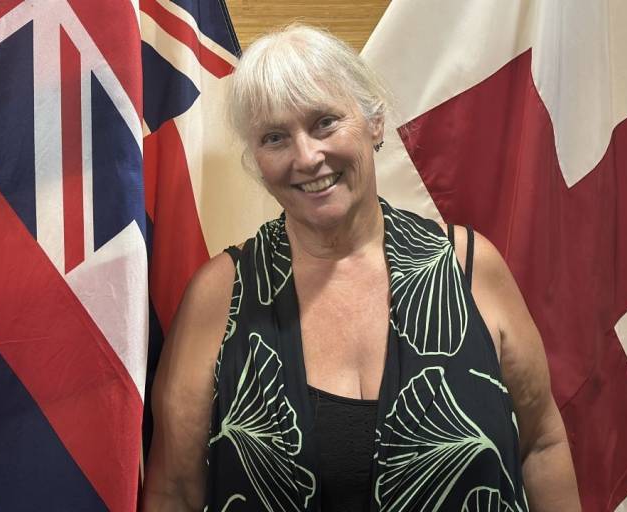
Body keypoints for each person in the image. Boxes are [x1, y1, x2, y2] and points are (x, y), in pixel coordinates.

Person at [143, 24, 581, 512]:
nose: (307, 157)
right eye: (275, 137)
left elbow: (542, 445)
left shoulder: (470, 269)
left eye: (325, 123)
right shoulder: (220, 295)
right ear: (257, 162)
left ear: (374, 123)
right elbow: (174, 491)